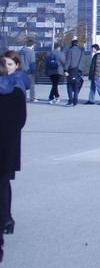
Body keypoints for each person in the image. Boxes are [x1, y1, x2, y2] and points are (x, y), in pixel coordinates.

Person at [1, 51, 30, 261]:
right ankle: (6, 218)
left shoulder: (18, 85)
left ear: (17, 65)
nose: (9, 67)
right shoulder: (16, 88)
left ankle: (6, 217)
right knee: (3, 183)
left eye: (11, 64)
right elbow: (20, 119)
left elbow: (20, 119)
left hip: (7, 142)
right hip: (8, 142)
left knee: (3, 183)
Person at [63, 39, 85, 107]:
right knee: (76, 86)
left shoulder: (70, 51)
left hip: (71, 70)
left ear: (71, 44)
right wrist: (82, 72)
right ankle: (75, 101)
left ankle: (70, 101)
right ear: (77, 44)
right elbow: (82, 62)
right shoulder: (81, 51)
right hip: (79, 71)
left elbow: (68, 61)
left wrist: (65, 70)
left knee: (69, 85)